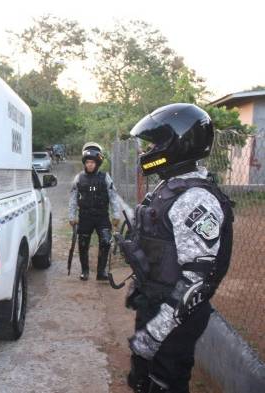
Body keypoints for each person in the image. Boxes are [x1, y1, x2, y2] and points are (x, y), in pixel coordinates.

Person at [118, 103, 234, 393]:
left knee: (164, 383)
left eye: (155, 144)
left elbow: (197, 283)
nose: (147, 153)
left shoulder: (194, 199)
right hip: (157, 305)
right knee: (142, 380)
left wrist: (153, 334)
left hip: (173, 319)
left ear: (177, 145)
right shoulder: (169, 185)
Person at [68, 142, 122, 281]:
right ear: (84, 163)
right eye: (87, 162)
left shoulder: (105, 177)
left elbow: (113, 196)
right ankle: (85, 271)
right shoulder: (78, 178)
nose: (90, 165)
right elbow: (73, 198)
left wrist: (116, 215)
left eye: (92, 162)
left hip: (102, 216)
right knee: (83, 243)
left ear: (97, 163)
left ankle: (101, 272)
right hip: (85, 216)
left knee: (105, 241)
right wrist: (71, 216)